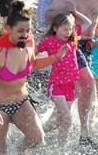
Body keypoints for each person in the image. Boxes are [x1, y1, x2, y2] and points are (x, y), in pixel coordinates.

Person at [0, 0, 60, 155]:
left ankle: (21, 150)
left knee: (37, 137)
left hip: (21, 102)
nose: (25, 35)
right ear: (8, 29)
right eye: (20, 31)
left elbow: (34, 63)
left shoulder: (29, 45)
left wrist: (55, 58)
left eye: (28, 30)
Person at [45, 0, 98, 148]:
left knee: (76, 94)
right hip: (73, 43)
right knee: (89, 83)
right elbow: (47, 15)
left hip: (89, 44)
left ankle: (42, 129)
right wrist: (62, 12)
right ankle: (84, 135)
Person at [37, 12, 91, 146]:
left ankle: (43, 135)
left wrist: (74, 13)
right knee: (67, 117)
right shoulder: (49, 41)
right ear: (55, 28)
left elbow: (87, 23)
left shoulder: (72, 39)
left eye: (70, 28)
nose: (68, 32)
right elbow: (32, 53)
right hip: (57, 85)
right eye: (65, 29)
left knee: (59, 119)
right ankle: (60, 147)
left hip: (71, 85)